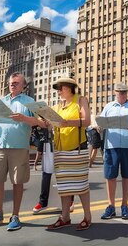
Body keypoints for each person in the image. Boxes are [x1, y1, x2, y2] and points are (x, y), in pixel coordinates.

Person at [0, 72, 47, 231]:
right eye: (11, 82)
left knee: (18, 181)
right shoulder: (1, 101)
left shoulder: (29, 102)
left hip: (19, 146)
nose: (13, 84)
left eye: (17, 83)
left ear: (24, 86)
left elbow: (43, 123)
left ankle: (15, 215)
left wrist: (24, 118)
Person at [46, 77, 92, 231]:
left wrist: (67, 122)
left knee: (81, 185)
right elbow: (50, 122)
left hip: (77, 147)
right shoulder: (58, 105)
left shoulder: (81, 100)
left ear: (70, 87)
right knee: (64, 186)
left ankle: (87, 217)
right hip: (60, 149)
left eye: (61, 87)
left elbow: (86, 121)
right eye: (57, 88)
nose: (58, 91)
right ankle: (65, 217)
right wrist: (46, 120)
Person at [97, 82, 128, 220]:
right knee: (110, 176)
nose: (121, 95)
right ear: (115, 93)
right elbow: (101, 124)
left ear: (127, 94)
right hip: (112, 146)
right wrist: (99, 127)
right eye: (119, 92)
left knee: (126, 176)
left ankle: (124, 206)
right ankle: (111, 206)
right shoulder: (109, 107)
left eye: (124, 92)